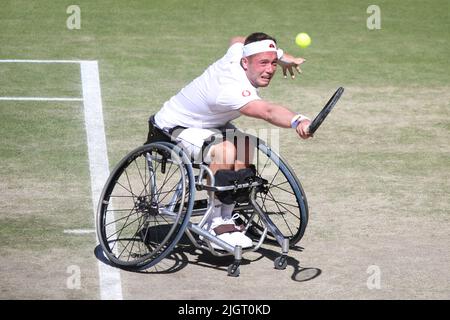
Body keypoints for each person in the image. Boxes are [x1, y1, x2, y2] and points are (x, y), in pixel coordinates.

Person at [150, 32, 313, 249]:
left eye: (273, 63)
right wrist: (297, 120)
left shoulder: (238, 53)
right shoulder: (231, 87)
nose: (270, 69)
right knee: (225, 150)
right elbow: (267, 111)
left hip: (211, 123)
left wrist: (280, 55)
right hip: (174, 127)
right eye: (263, 63)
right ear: (245, 63)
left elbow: (238, 39)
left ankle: (228, 212)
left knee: (246, 144)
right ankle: (214, 222)